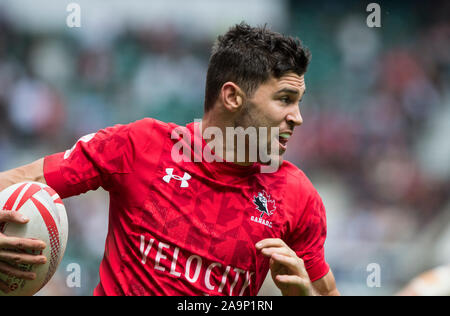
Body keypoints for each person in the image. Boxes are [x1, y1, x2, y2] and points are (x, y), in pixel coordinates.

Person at [0, 23, 339, 296]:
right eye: (285, 99)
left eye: (299, 101)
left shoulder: (297, 196)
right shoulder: (141, 145)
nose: (297, 117)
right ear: (233, 96)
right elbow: (24, 180)